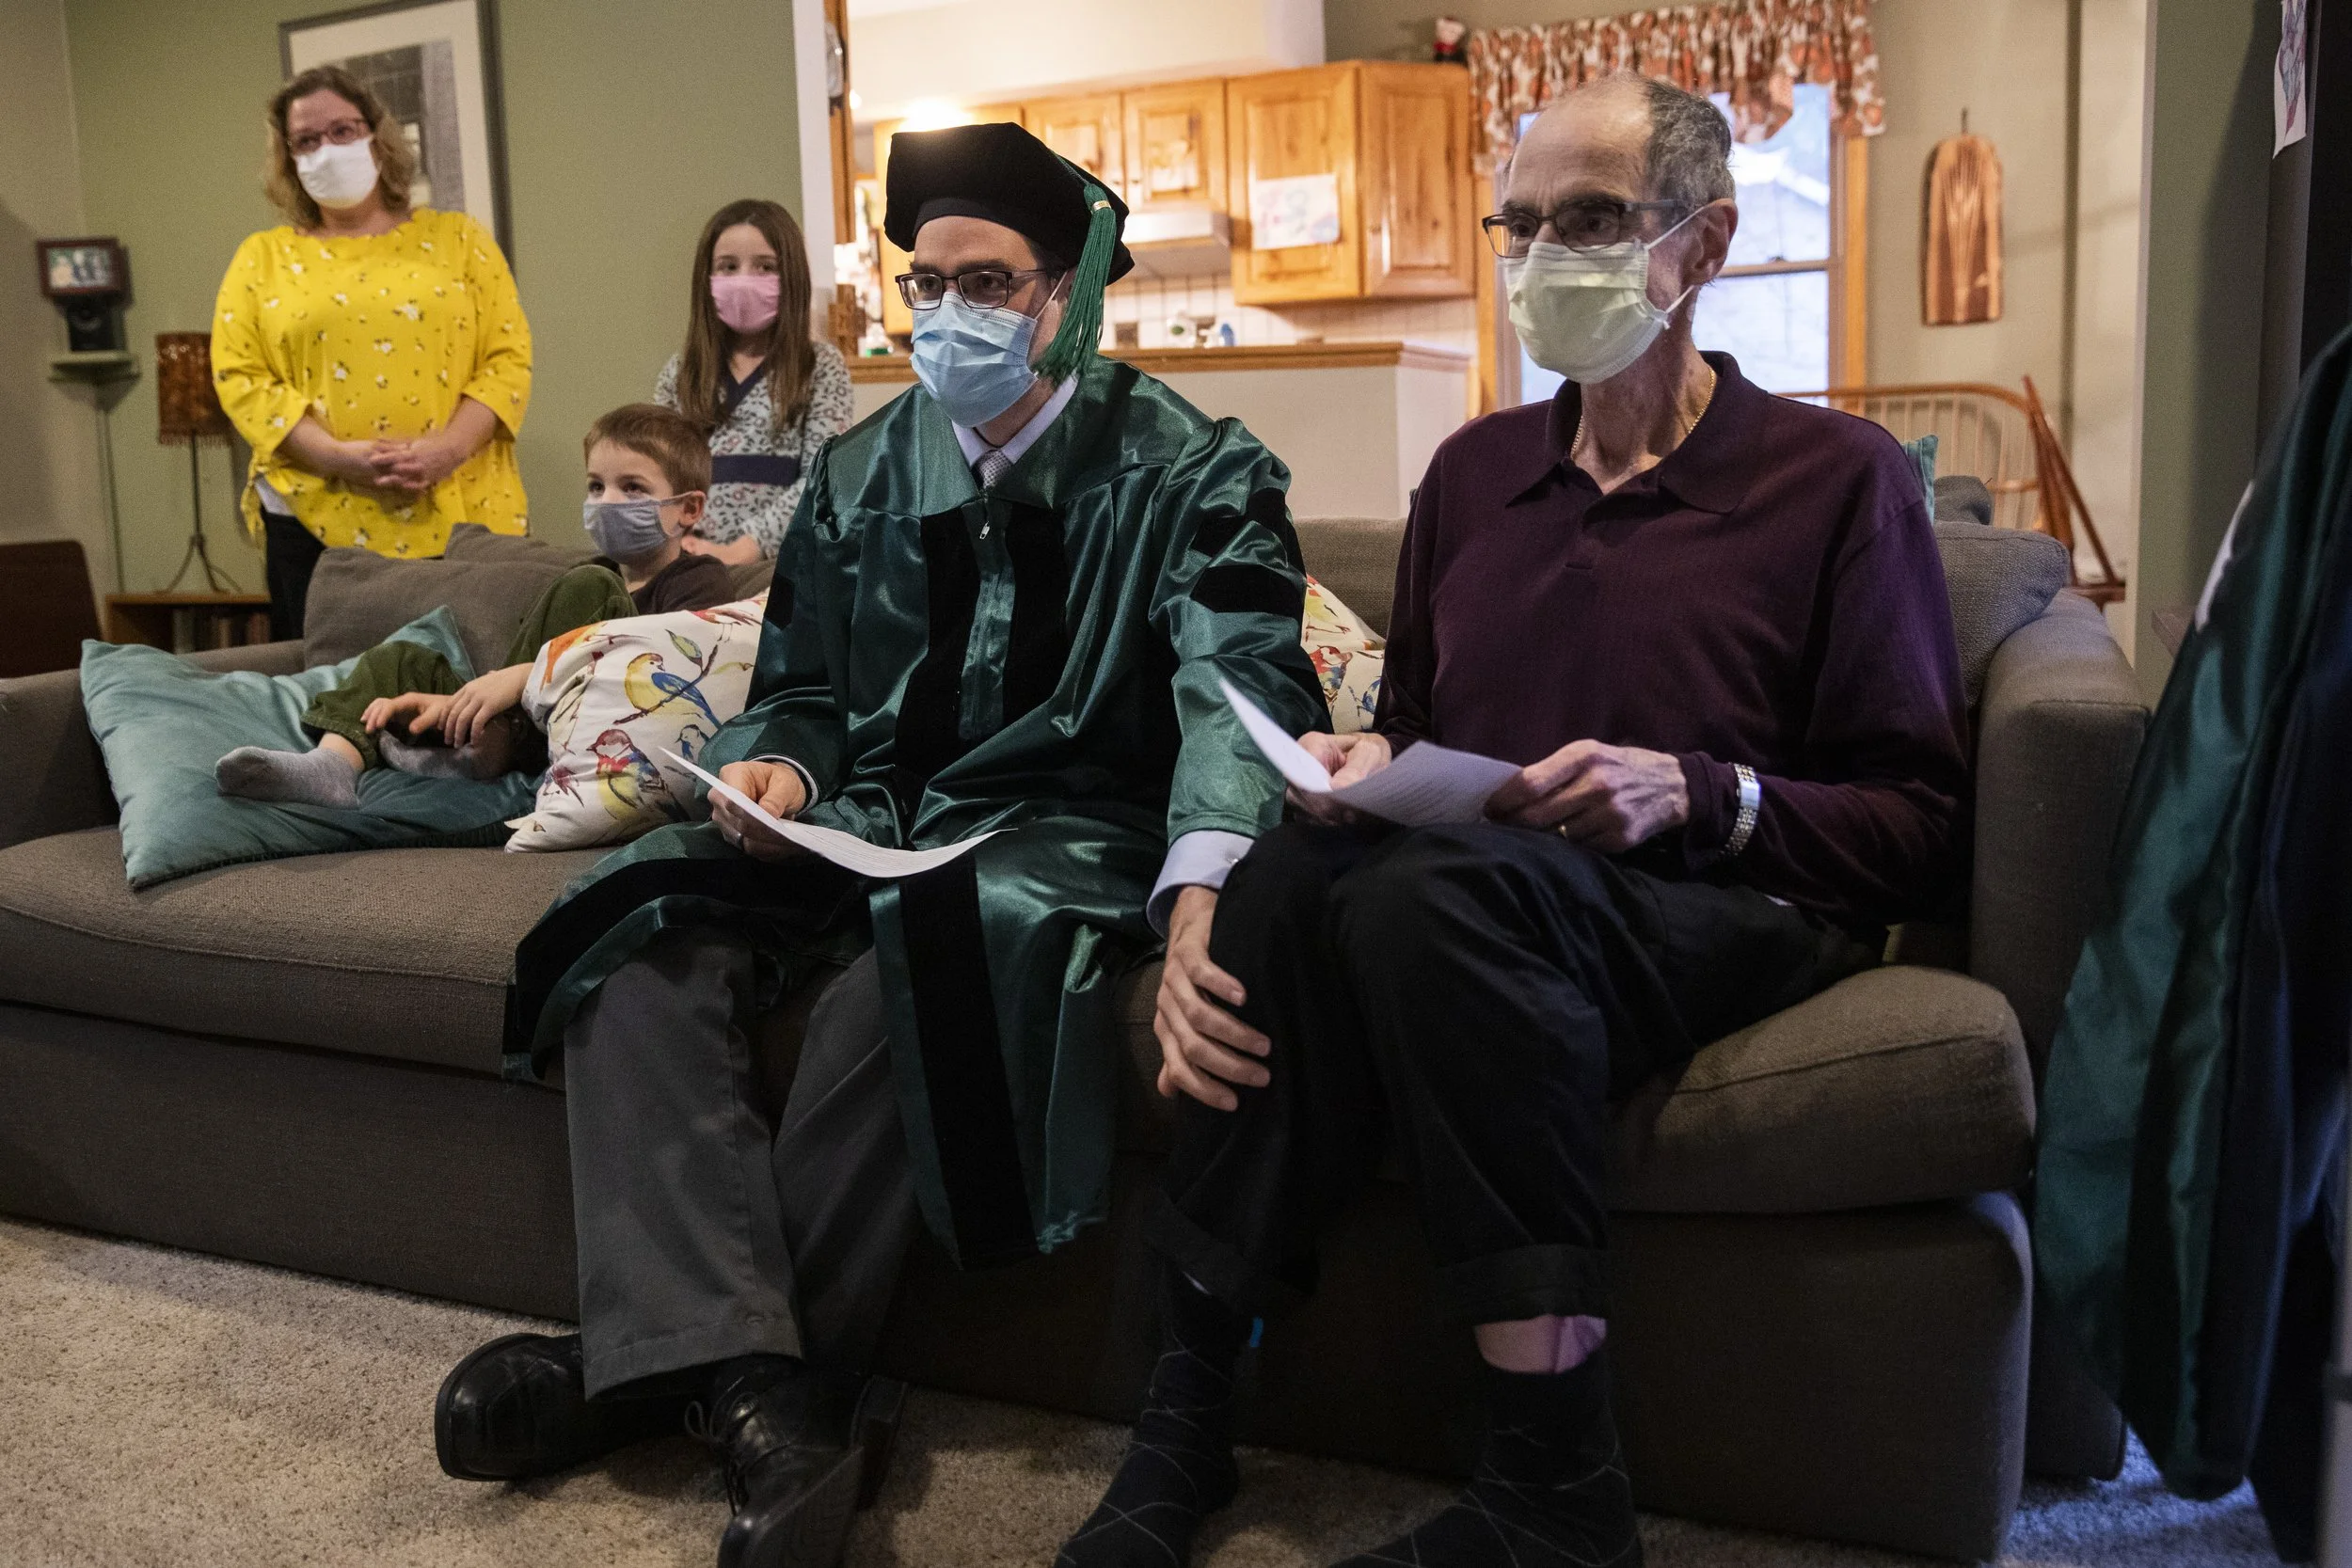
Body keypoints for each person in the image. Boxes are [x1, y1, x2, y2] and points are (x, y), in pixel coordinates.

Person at [1058, 76, 1972, 1568]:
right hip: (1492, 894)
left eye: (1596, 219)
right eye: (1525, 223)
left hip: (1718, 905)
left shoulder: (1840, 482)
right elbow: (1423, 727)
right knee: (1300, 875)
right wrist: (1366, 758)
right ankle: (1187, 1408)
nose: (1549, 255)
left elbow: (1921, 823)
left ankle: (1557, 1483)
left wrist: (1700, 787)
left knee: (1433, 901)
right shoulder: (1477, 475)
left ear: (1705, 244)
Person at [432, 121, 1327, 1568]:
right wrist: (778, 763)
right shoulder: (861, 470)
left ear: (1070, 289)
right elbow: (800, 690)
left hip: (1062, 826)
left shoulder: (1192, 469)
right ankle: (768, 1394)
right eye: (926, 283)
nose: (950, 315)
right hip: (869, 819)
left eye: (989, 282)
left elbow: (1246, 690)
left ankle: (672, 1369)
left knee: (917, 962)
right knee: (642, 919)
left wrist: (1209, 880)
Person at [215, 404, 736, 806]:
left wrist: (520, 679)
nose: (607, 503)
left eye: (632, 488)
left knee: (590, 584)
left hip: (586, 731)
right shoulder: (591, 573)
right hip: (514, 712)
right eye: (596, 486)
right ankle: (332, 766)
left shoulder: (697, 581)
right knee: (399, 660)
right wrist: (462, 700)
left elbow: (675, 669)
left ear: (688, 508)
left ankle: (484, 747)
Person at [212, 64, 533, 640]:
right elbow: (241, 377)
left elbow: (506, 359)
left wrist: (446, 449)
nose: (327, 150)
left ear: (377, 137)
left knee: (464, 697)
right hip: (312, 521)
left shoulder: (458, 240)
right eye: (306, 141)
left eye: (343, 131)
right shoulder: (262, 258)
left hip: (460, 512)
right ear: (287, 159)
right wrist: (336, 456)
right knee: (327, 698)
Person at [655, 198, 855, 564]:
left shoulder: (821, 367)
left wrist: (743, 549)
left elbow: (823, 480)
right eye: (728, 267)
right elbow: (659, 475)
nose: (744, 280)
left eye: (765, 267)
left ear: (791, 276)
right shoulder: (681, 372)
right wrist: (684, 546)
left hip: (780, 567)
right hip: (688, 561)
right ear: (707, 278)